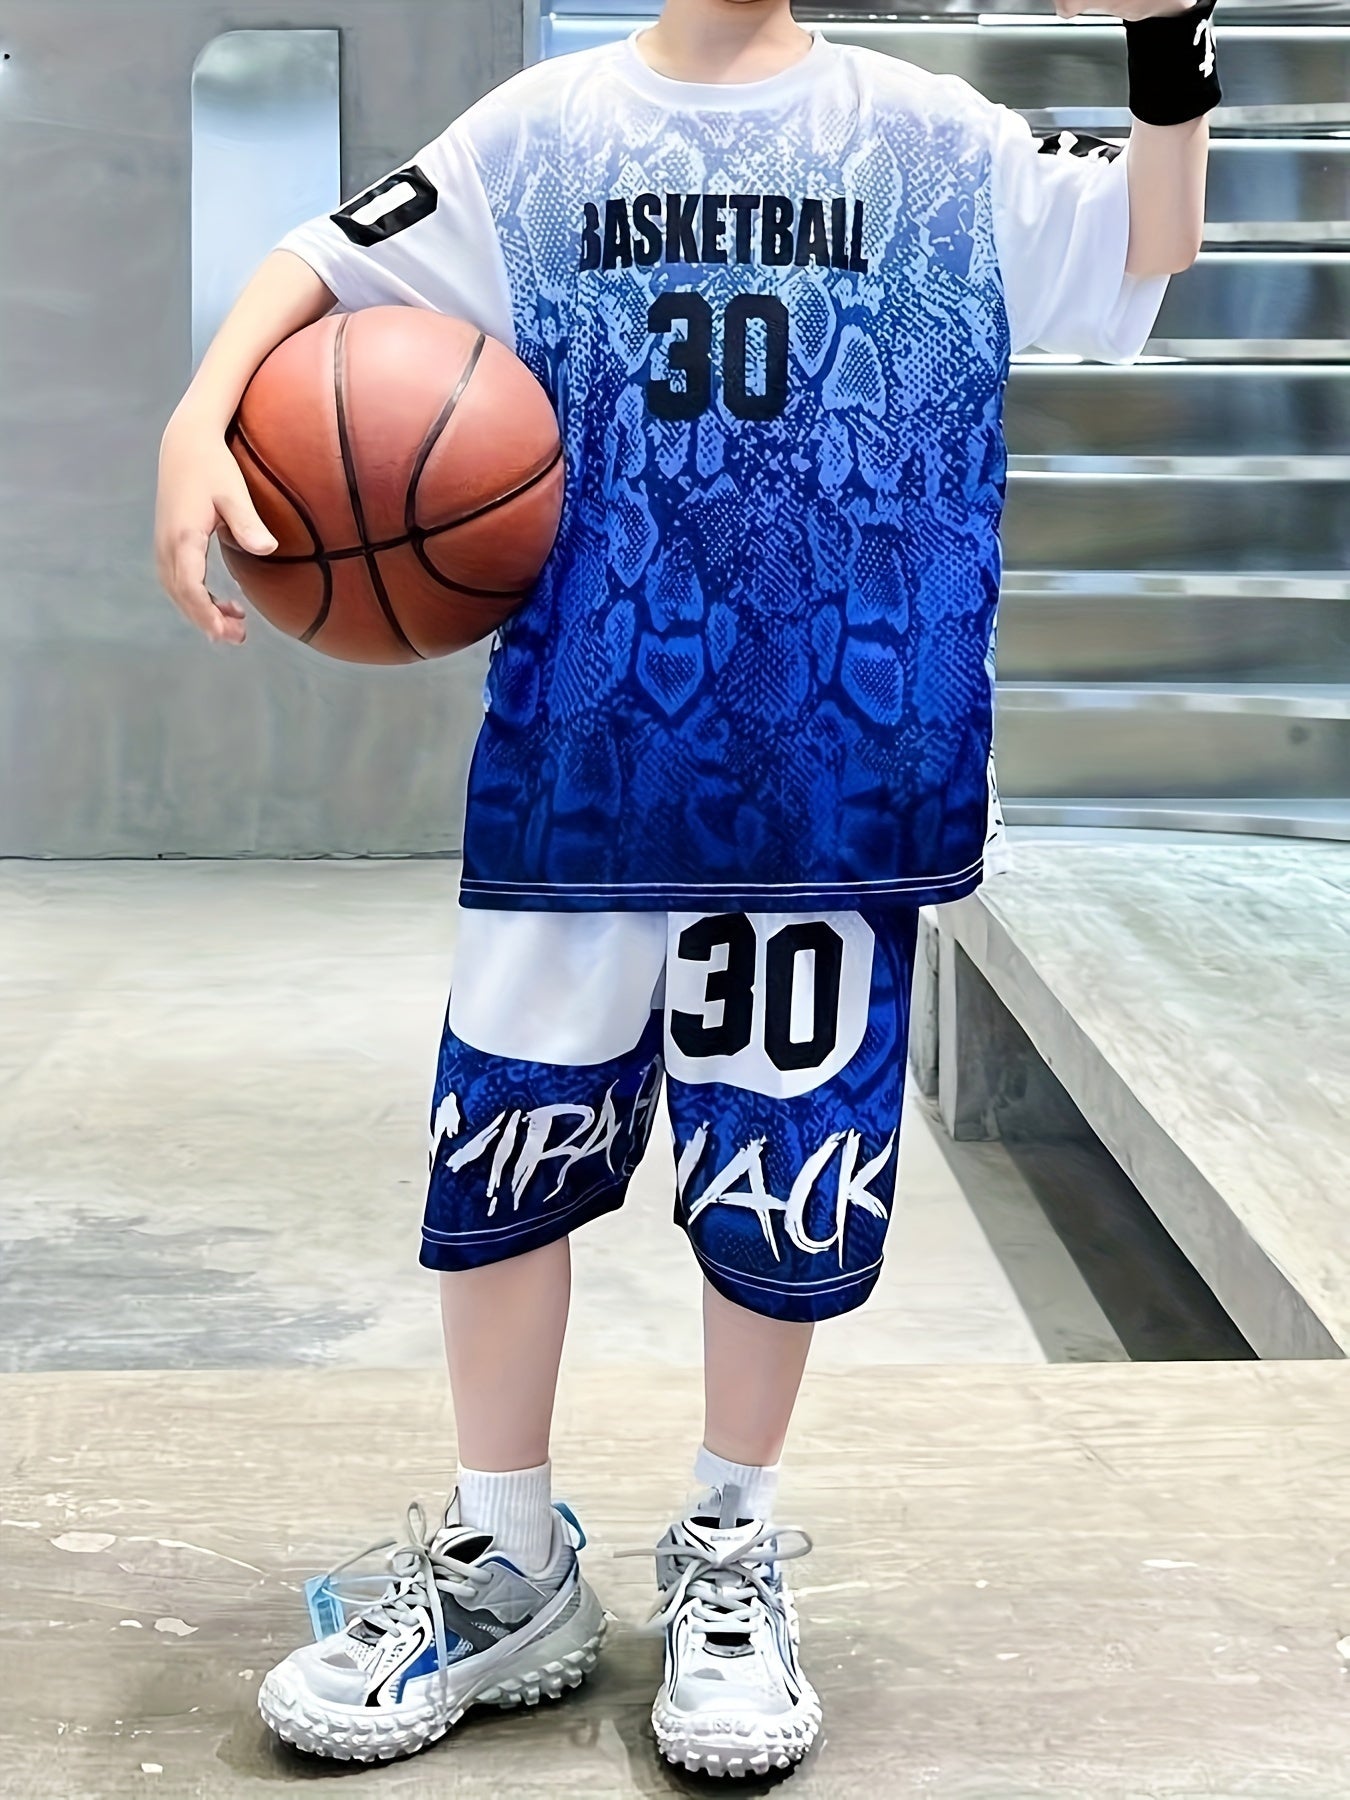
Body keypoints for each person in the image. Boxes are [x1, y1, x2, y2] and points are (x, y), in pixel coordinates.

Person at [155, 0, 1217, 1776]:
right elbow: (322, 258)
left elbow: (1137, 252)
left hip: (825, 770)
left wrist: (1170, 47)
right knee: (504, 1155)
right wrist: (202, 415)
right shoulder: (542, 130)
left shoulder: (929, 134)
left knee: (777, 1180)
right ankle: (506, 1559)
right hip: (587, 762)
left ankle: (729, 1546)